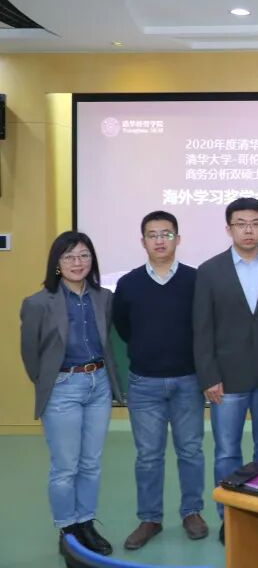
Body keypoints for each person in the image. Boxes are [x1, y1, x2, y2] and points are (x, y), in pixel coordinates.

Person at [193, 197, 258, 543]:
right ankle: (231, 517)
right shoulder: (210, 270)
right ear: (229, 229)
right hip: (226, 378)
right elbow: (202, 329)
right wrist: (209, 376)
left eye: (255, 223)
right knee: (227, 451)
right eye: (241, 224)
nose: (248, 230)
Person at [20, 231, 121, 556]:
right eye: (69, 257)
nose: (78, 263)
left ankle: (86, 522)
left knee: (91, 463)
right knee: (65, 466)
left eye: (84, 255)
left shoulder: (104, 297)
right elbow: (31, 355)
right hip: (63, 387)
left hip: (99, 384)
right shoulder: (38, 303)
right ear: (57, 263)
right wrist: (52, 383)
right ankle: (68, 530)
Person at [113, 211, 207, 550]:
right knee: (148, 456)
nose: (159, 240)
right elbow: (124, 327)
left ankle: (192, 512)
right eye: (152, 235)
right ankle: (150, 518)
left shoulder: (196, 280)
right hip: (145, 383)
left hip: (188, 381)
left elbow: (204, 326)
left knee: (191, 451)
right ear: (143, 242)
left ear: (177, 239)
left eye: (166, 234)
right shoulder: (129, 283)